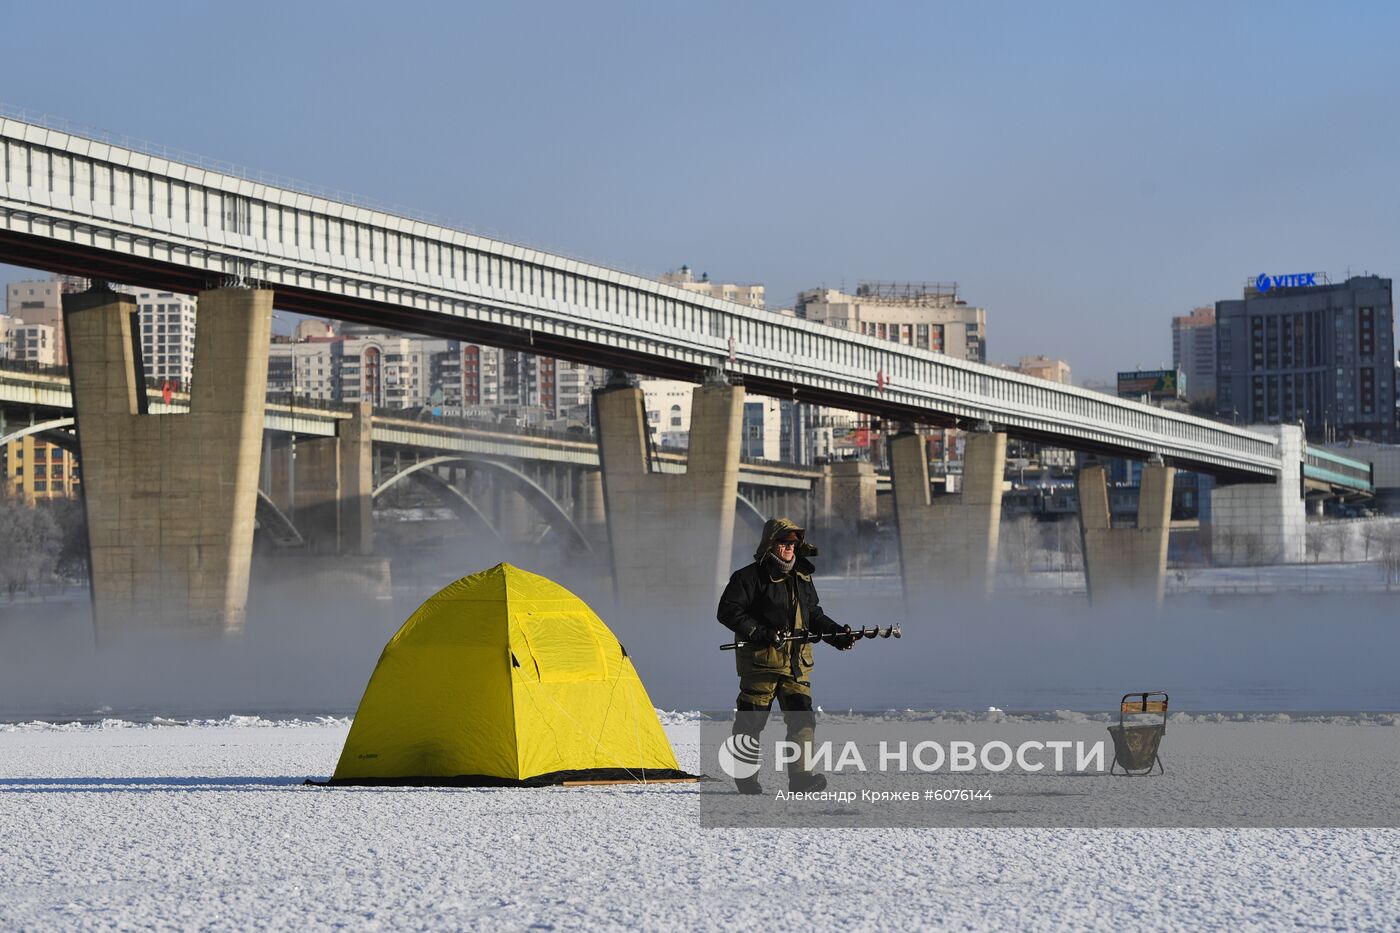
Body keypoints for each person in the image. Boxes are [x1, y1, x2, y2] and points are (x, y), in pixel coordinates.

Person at [717, 517, 855, 794]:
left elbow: (813, 614)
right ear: (771, 543)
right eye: (784, 542)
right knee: (751, 722)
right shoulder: (748, 577)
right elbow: (728, 612)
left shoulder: (802, 578)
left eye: (794, 542)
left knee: (802, 719)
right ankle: (746, 779)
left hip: (796, 664)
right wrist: (761, 632)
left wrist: (837, 634)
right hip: (761, 664)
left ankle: (801, 779)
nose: (790, 547)